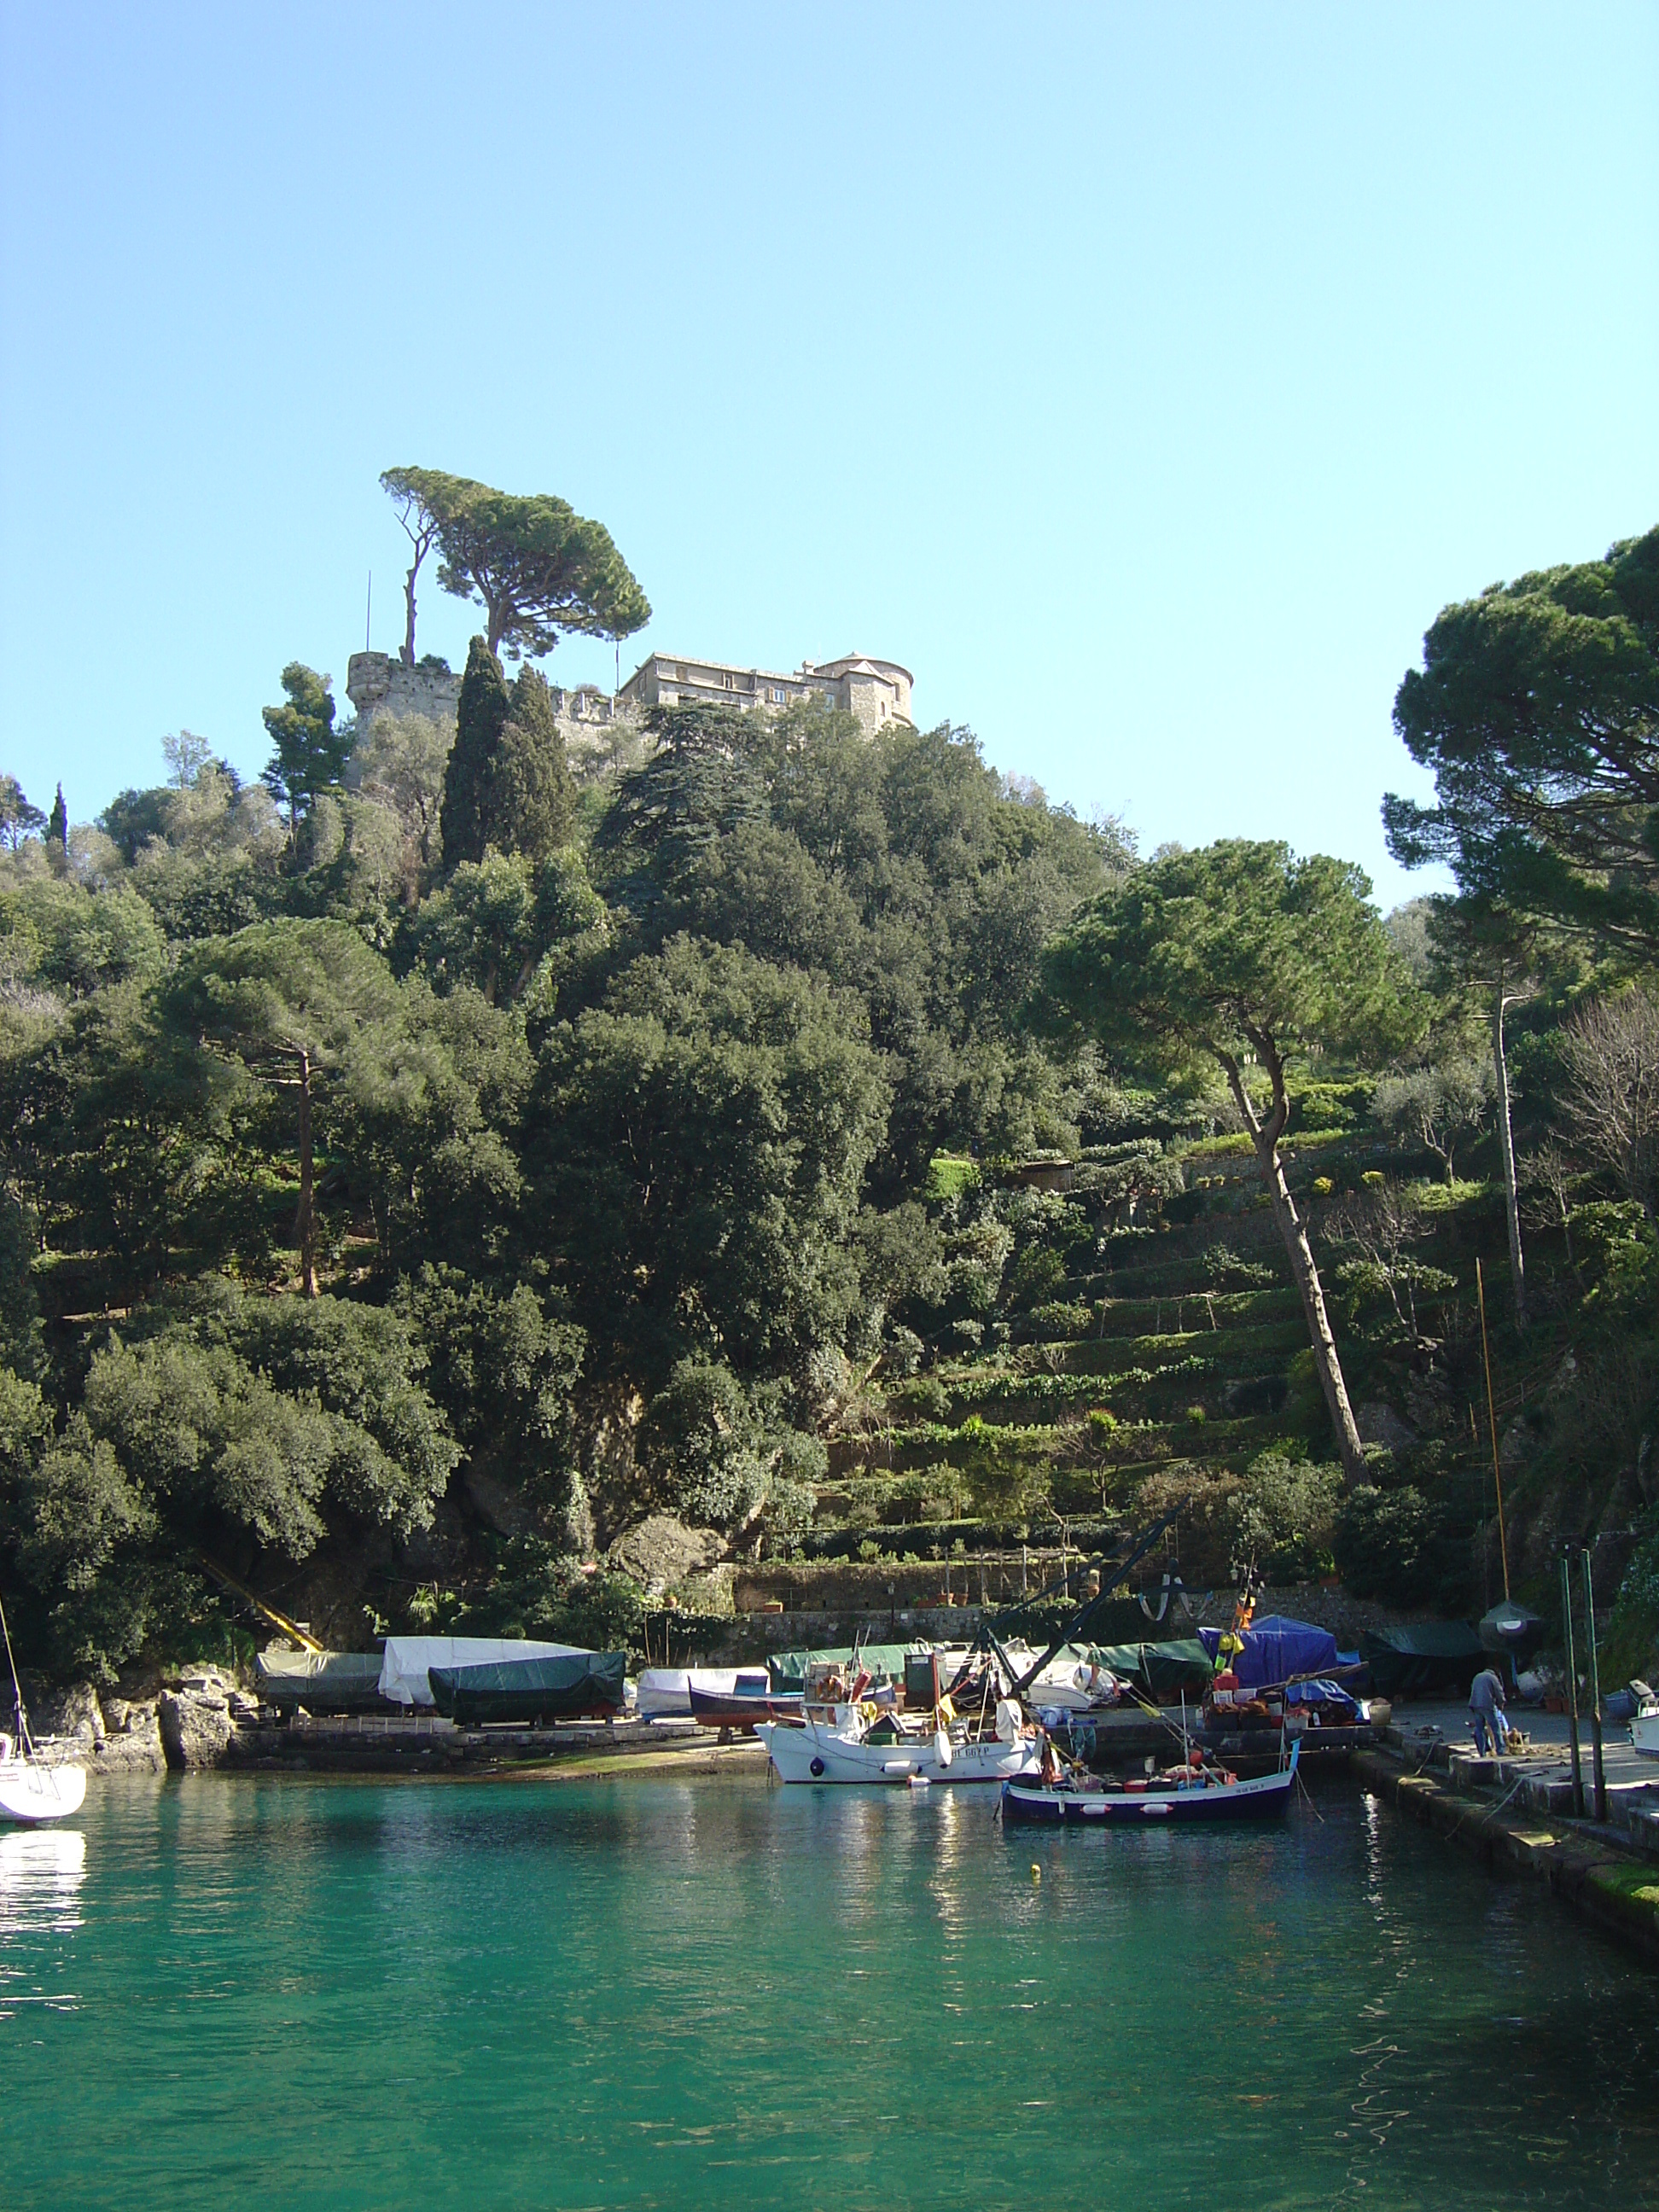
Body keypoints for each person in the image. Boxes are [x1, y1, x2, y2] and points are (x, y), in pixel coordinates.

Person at [1469, 1666, 1510, 1755]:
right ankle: (1500, 1750)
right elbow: (1499, 1692)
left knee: (1479, 1729)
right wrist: (1501, 1703)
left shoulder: (1477, 1676)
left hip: (1475, 1705)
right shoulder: (1492, 1678)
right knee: (1496, 1727)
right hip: (1487, 1705)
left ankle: (1482, 1752)